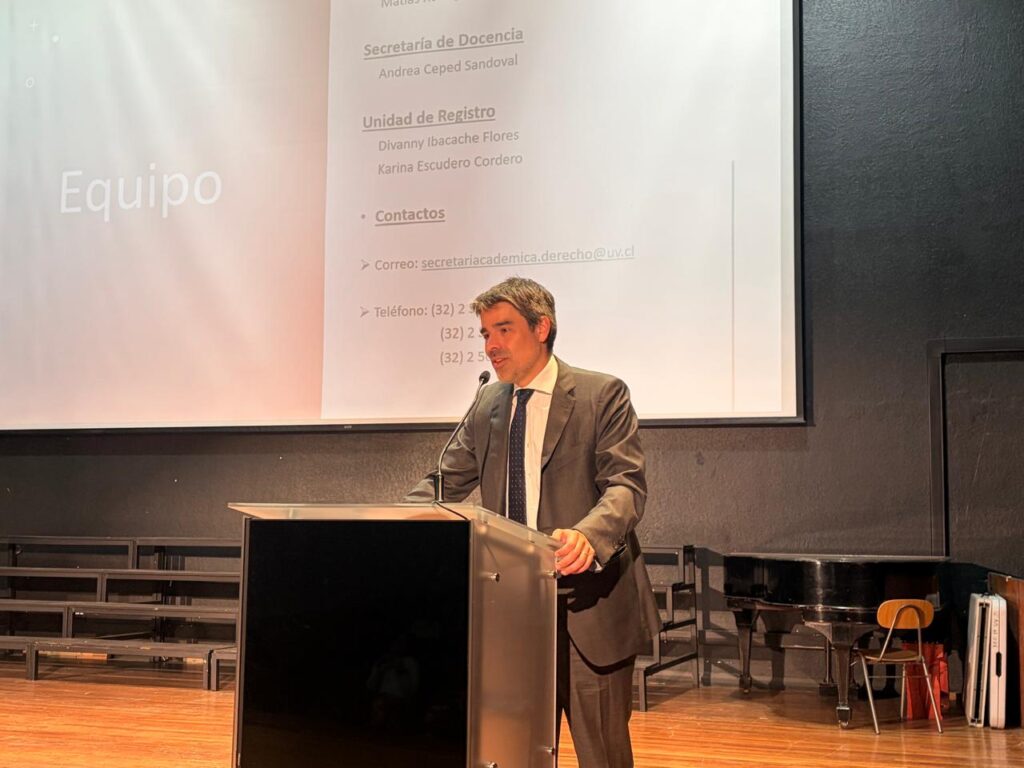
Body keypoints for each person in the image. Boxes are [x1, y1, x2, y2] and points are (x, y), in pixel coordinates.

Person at [405, 276, 659, 768]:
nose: (491, 345)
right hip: (514, 611)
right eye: (485, 333)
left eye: (503, 330)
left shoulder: (601, 394)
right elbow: (442, 484)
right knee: (515, 753)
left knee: (602, 756)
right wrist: (392, 521)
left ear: (541, 328)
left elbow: (625, 486)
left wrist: (587, 535)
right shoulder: (487, 404)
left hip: (589, 603)